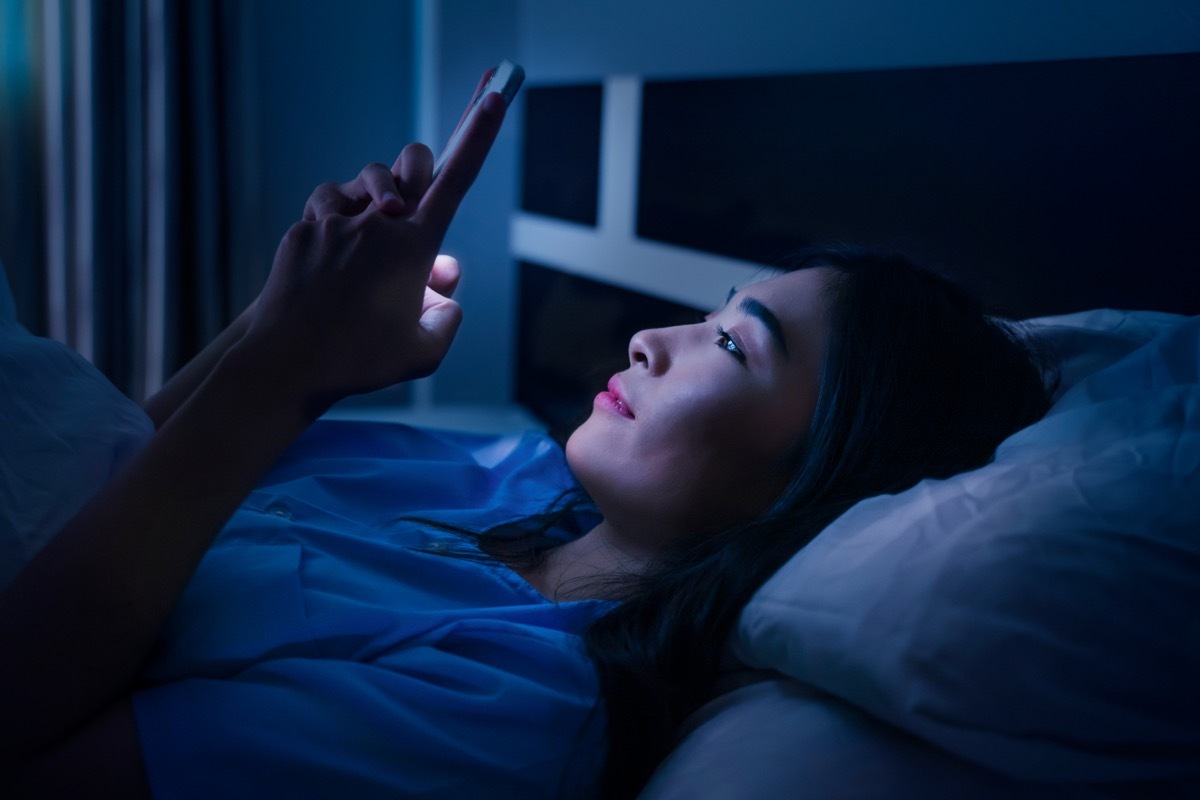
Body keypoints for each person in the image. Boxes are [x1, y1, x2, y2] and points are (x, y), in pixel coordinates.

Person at [0, 84, 1053, 798]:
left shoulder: (510, 711)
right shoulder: (508, 470)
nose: (650, 338)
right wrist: (279, 322)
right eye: (711, 307)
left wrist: (284, 371)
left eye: (733, 344)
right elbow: (109, 472)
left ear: (821, 474)